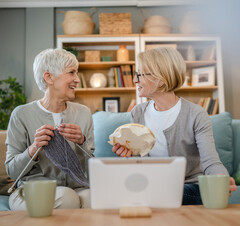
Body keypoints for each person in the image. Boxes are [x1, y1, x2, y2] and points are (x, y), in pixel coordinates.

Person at [112, 47, 237, 205]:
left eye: (139, 75)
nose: (135, 80)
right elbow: (138, 165)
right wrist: (128, 157)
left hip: (189, 188)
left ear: (161, 79)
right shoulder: (137, 113)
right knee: (127, 190)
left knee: (170, 192)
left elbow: (211, 162)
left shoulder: (196, 114)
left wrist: (221, 181)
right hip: (152, 186)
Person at [6, 48, 94, 210]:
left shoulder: (83, 113)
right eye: (71, 73)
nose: (77, 79)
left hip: (78, 187)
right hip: (33, 189)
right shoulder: (21, 114)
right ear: (49, 77)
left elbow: (92, 167)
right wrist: (33, 149)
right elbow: (12, 171)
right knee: (67, 198)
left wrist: (82, 142)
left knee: (93, 199)